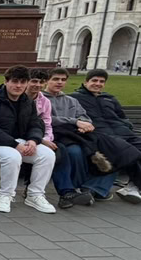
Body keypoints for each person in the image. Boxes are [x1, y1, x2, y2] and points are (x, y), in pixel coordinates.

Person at [72, 69, 141, 207]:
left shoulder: (109, 98)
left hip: (125, 134)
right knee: (127, 151)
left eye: (101, 81)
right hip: (101, 136)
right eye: (94, 80)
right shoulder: (75, 98)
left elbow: (122, 117)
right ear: (86, 82)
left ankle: (134, 187)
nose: (98, 84)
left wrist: (125, 126)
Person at [0, 65, 57, 214]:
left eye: (22, 82)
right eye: (14, 81)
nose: (18, 86)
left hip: (20, 142)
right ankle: (5, 195)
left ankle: (35, 195)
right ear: (6, 82)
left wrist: (33, 140)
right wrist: (14, 144)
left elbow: (36, 124)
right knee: (12, 156)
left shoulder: (27, 102)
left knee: (47, 155)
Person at [43, 68, 115, 207]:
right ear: (47, 81)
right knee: (74, 151)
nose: (60, 82)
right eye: (56, 79)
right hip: (55, 136)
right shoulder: (41, 99)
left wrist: (84, 125)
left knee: (113, 150)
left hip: (76, 135)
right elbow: (48, 119)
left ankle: (91, 188)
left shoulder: (71, 100)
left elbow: (84, 117)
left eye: (63, 80)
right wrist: (75, 122)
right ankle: (78, 188)